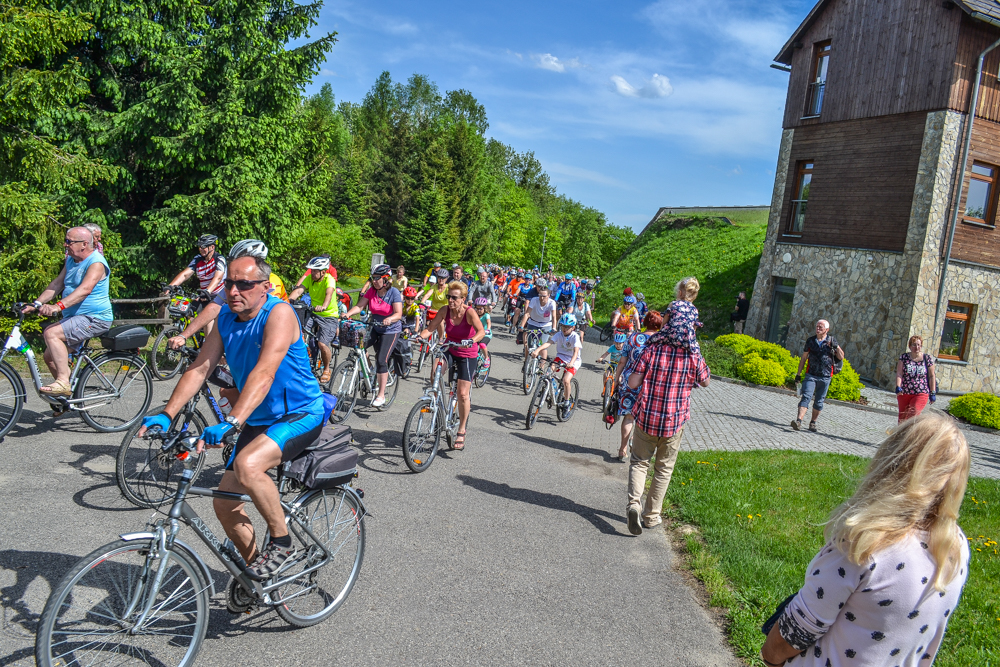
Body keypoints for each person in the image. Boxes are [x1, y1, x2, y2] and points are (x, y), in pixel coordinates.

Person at [139, 254, 327, 579]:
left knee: (248, 465)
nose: (234, 290)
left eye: (244, 284)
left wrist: (232, 421)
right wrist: (167, 415)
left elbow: (265, 373)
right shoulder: (226, 317)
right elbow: (200, 368)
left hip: (299, 414)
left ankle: (282, 544)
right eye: (229, 283)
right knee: (225, 503)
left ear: (265, 287)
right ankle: (256, 572)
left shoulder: (279, 314)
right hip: (258, 419)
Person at [760, 412, 970, 667]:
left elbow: (792, 635)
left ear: (892, 461)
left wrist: (770, 659)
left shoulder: (864, 545)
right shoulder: (955, 547)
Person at [624, 313, 710, 535]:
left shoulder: (652, 349)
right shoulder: (692, 354)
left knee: (640, 462)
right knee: (663, 468)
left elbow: (633, 383)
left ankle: (634, 504)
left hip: (647, 417)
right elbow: (706, 381)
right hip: (674, 421)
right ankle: (651, 516)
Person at [22, 227, 113, 396]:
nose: (65, 244)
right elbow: (57, 284)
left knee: (51, 333)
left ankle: (63, 381)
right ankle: (65, 397)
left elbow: (85, 289)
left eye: (69, 242)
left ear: (84, 244)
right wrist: (36, 303)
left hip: (94, 318)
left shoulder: (96, 263)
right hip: (76, 318)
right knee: (49, 357)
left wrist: (58, 306)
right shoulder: (72, 260)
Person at [168, 240, 284, 351]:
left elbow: (272, 320)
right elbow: (213, 307)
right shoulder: (236, 283)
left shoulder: (272, 282)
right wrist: (184, 336)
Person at [420, 281, 485, 450]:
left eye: (454, 298)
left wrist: (471, 341)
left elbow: (481, 331)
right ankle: (435, 407)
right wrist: (419, 337)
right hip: (449, 347)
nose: (450, 300)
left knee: (462, 394)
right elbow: (431, 328)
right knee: (435, 372)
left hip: (466, 353)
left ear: (463, 299)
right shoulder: (445, 311)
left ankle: (461, 429)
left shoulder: (469, 313)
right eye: (449, 297)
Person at [342, 264, 403, 407]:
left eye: (377, 278)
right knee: (358, 345)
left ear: (386, 279)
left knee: (382, 360)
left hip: (390, 330)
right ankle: (367, 370)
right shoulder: (371, 291)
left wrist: (390, 319)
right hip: (375, 326)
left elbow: (398, 314)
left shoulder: (393, 293)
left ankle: (381, 395)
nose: (374, 281)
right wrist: (348, 314)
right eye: (373, 278)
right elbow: (360, 306)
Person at [613, 311, 663, 461]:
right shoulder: (660, 341)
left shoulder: (633, 337)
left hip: (630, 382)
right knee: (642, 418)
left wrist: (616, 380)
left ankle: (622, 449)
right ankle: (636, 446)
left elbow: (622, 361)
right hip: (650, 384)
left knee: (628, 417)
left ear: (645, 322)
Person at [287, 257, 338, 383]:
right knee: (298, 333)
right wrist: (287, 302)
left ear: (323, 272)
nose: (313, 273)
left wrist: (324, 306)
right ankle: (303, 360)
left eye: (316, 271)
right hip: (313, 312)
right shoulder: (310, 278)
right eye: (312, 270)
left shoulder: (329, 280)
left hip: (328, 315)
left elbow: (329, 294)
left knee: (322, 344)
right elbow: (299, 290)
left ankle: (326, 369)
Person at [792, 319, 845, 433]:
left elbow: (841, 357)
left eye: (821, 327)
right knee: (806, 396)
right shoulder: (811, 341)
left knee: (819, 401)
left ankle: (813, 423)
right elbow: (804, 358)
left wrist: (836, 347)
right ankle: (798, 421)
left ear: (827, 329)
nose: (818, 328)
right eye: (817, 326)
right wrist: (798, 374)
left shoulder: (831, 341)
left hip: (825, 376)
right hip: (811, 374)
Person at [531, 313, 582, 408]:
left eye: (567, 327)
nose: (564, 329)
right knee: (548, 372)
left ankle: (567, 402)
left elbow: (576, 352)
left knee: (566, 380)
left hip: (573, 360)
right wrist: (537, 350)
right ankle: (547, 389)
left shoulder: (575, 337)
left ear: (573, 328)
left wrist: (571, 363)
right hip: (561, 357)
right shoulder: (559, 334)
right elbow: (548, 343)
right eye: (563, 326)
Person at [654, 277, 702, 356]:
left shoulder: (673, 304)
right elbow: (694, 329)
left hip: (671, 337)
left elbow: (664, 323)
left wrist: (660, 335)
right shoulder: (694, 309)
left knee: (649, 344)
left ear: (679, 293)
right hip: (686, 341)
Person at [895, 335, 937, 423]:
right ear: (909, 346)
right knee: (902, 418)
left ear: (921, 346)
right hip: (904, 392)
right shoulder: (904, 357)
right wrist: (898, 386)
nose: (916, 347)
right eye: (914, 345)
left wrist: (933, 392)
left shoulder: (927, 358)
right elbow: (899, 373)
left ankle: (910, 435)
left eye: (918, 345)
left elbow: (931, 376)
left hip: (921, 392)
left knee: (912, 415)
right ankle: (901, 435)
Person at [518, 284, 557, 361]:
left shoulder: (552, 303)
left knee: (543, 346)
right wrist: (521, 326)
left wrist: (554, 328)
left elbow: (554, 316)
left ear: (549, 295)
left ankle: (541, 368)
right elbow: (527, 314)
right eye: (540, 295)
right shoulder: (534, 300)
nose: (542, 298)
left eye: (544, 296)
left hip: (545, 324)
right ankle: (526, 362)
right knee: (529, 346)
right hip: (533, 323)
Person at [473, 297, 492, 367]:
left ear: (485, 308)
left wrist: (488, 329)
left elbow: (488, 322)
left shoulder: (486, 315)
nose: (479, 310)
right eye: (477, 308)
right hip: (477, 334)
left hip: (486, 334)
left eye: (480, 309)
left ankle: (486, 358)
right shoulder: (474, 315)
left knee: (482, 344)